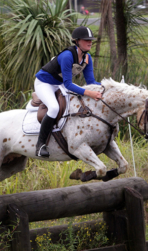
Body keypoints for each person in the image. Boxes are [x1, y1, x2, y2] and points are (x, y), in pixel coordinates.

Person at [34, 26, 102, 158]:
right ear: (77, 41)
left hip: (59, 84)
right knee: (53, 108)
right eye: (86, 40)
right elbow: (69, 85)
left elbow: (91, 82)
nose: (90, 42)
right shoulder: (67, 56)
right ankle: (40, 145)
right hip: (45, 83)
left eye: (91, 40)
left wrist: (107, 86)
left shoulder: (87, 58)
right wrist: (90, 93)